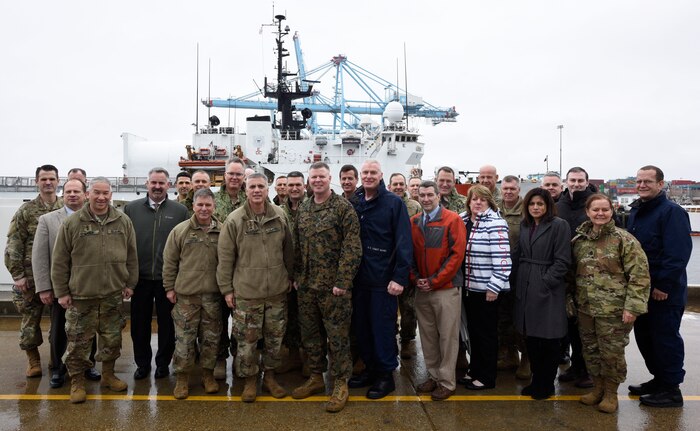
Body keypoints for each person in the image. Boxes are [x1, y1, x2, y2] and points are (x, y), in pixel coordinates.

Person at [51, 177, 138, 403]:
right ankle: (77, 381)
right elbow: (59, 261)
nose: (101, 197)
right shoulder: (73, 223)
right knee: (78, 342)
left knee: (112, 340)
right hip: (81, 295)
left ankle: (108, 375)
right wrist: (61, 292)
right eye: (96, 192)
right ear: (88, 194)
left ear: (111, 194)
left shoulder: (123, 220)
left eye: (105, 193)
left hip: (112, 294)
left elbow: (131, 256)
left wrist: (130, 283)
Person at [216, 173, 294, 402]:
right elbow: (225, 258)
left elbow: (288, 250)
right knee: (247, 342)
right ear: (245, 189)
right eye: (253, 187)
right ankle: (250, 380)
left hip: (276, 293)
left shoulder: (279, 216)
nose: (257, 190)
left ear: (267, 189)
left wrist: (290, 276)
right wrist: (227, 290)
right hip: (247, 293)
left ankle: (269, 377)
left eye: (261, 186)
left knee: (274, 340)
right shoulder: (234, 220)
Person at [292, 162, 361, 413]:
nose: (317, 181)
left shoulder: (343, 208)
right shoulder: (305, 208)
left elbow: (352, 248)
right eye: (314, 177)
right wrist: (297, 275)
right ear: (309, 180)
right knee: (310, 336)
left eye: (322, 176)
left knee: (338, 338)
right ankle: (315, 377)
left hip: (334, 289)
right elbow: (297, 245)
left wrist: (342, 282)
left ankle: (341, 383)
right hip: (308, 287)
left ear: (329, 178)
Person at [572, 193, 650, 412]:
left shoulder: (624, 240)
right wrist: (571, 301)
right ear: (587, 212)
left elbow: (640, 276)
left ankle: (610, 394)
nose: (600, 213)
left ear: (611, 211)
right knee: (590, 351)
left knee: (612, 354)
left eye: (604, 209)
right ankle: (597, 388)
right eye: (595, 210)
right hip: (586, 308)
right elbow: (571, 274)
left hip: (614, 311)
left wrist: (632, 308)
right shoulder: (579, 241)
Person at [627, 165, 692, 408]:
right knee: (645, 337)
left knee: (665, 338)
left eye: (648, 181)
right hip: (641, 290)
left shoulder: (671, 212)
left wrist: (663, 285)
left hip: (664, 292)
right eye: (639, 181)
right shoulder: (637, 212)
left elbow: (677, 254)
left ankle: (672, 390)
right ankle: (659, 380)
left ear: (660, 184)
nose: (642, 185)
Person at [349, 159, 412, 399]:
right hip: (360, 279)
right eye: (365, 172)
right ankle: (370, 369)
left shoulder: (393, 203)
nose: (368, 176)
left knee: (382, 329)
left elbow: (404, 242)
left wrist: (399, 277)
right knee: (363, 328)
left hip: (384, 280)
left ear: (381, 175)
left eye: (372, 172)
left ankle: (386, 376)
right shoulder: (356, 202)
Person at [32, 178, 100, 388]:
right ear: (63, 195)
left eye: (76, 191)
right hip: (61, 286)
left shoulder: (97, 219)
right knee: (60, 330)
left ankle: (87, 365)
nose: (72, 195)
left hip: (88, 285)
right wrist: (44, 287)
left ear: (85, 194)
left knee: (89, 328)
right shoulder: (48, 220)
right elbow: (40, 256)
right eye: (68, 191)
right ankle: (58, 369)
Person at [124, 168, 188, 380]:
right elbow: (124, 245)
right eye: (154, 182)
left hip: (167, 280)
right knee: (139, 325)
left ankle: (163, 363)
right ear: (147, 184)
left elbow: (184, 247)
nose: (157, 187)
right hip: (139, 279)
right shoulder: (131, 210)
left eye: (162, 183)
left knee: (167, 325)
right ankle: (142, 364)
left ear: (168, 185)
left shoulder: (180, 211)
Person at [4, 164, 63, 378]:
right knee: (30, 321)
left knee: (60, 324)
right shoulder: (26, 211)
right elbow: (14, 243)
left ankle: (57, 361)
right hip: (30, 278)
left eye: (52, 179)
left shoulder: (65, 208)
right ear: (37, 181)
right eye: (44, 179)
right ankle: (34, 360)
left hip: (57, 278)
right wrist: (18, 275)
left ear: (58, 181)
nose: (48, 182)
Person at [163, 188, 222, 400]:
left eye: (208, 205)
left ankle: (208, 375)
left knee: (211, 340)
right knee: (184, 341)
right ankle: (182, 379)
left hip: (213, 297)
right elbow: (169, 262)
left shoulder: (222, 231)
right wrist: (169, 287)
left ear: (214, 206)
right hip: (186, 298)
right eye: (200, 205)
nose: (204, 209)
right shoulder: (180, 231)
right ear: (194, 206)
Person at [410, 180, 466, 401]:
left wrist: (434, 281)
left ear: (438, 196)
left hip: (446, 289)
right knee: (428, 336)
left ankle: (447, 381)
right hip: (422, 288)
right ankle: (433, 375)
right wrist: (415, 279)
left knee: (447, 336)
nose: (425, 199)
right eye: (421, 195)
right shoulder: (414, 222)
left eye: (429, 195)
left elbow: (456, 256)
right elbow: (409, 254)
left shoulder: (452, 220)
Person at [513, 188, 571, 400]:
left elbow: (563, 260)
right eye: (531, 204)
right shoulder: (525, 225)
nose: (535, 207)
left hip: (546, 288)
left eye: (540, 204)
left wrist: (545, 282)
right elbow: (518, 253)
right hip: (525, 284)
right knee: (531, 338)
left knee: (548, 339)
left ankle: (547, 383)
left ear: (547, 206)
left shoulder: (559, 226)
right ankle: (537, 380)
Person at [460, 185, 511, 390]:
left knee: (486, 334)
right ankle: (474, 370)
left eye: (483, 199)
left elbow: (503, 260)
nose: (478, 203)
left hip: (486, 290)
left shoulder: (496, 223)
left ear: (490, 202)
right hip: (468, 288)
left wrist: (494, 287)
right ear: (469, 202)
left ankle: (487, 377)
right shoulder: (463, 220)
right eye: (474, 199)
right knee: (472, 333)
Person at [555, 166, 598, 388]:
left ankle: (588, 371)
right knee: (571, 324)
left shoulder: (595, 203)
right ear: (566, 181)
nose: (576, 184)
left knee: (587, 327)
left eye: (580, 180)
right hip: (566, 276)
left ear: (587, 181)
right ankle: (576, 366)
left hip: (589, 276)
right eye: (572, 180)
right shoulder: (559, 205)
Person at [213, 158, 248, 379]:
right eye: (231, 174)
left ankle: (238, 356)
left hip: (244, 269)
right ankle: (219, 358)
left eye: (238, 174)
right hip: (216, 267)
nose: (234, 178)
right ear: (224, 175)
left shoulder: (251, 199)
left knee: (241, 319)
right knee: (217, 318)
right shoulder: (213, 200)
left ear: (244, 177)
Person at [435, 166, 469, 370]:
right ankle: (441, 357)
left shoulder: (463, 203)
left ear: (454, 181)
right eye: (442, 180)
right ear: (436, 180)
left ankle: (460, 356)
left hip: (457, 267)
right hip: (433, 266)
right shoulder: (429, 200)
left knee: (457, 318)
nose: (445, 184)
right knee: (436, 318)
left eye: (449, 180)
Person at [496, 175, 528, 379]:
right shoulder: (494, 208)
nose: (508, 192)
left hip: (521, 271)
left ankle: (526, 358)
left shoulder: (527, 209)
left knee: (522, 317)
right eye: (505, 188)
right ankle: (509, 355)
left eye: (512, 189)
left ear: (518, 190)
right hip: (499, 271)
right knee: (502, 316)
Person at [276, 171, 307, 375]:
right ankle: (294, 357)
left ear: (304, 186)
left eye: (298, 184)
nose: (294, 188)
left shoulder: (313, 208)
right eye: (291, 185)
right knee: (290, 318)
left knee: (309, 319)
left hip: (309, 274)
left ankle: (310, 362)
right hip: (286, 274)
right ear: (285, 188)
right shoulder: (278, 211)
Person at [387, 172, 421, 359]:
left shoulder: (415, 207)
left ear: (406, 186)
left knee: (408, 307)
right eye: (395, 184)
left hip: (408, 264)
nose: (398, 187)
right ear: (390, 186)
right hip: (388, 265)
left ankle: (407, 340)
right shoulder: (385, 203)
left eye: (401, 184)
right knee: (389, 307)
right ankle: (391, 337)